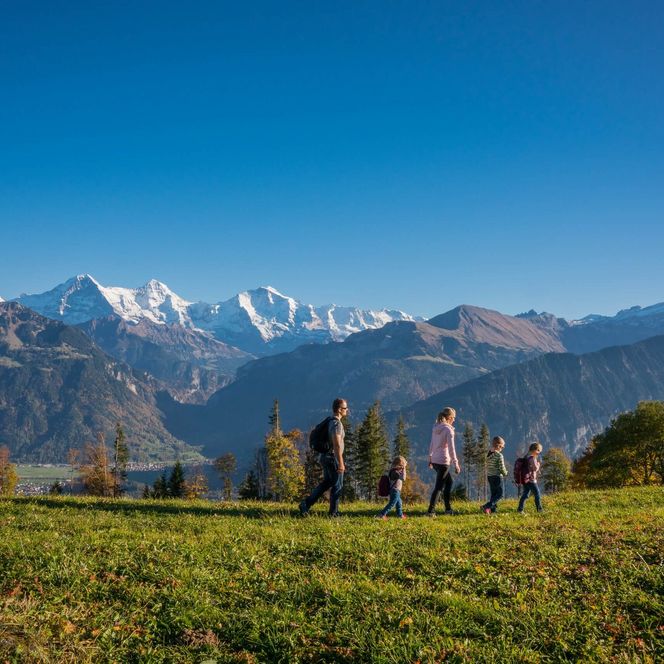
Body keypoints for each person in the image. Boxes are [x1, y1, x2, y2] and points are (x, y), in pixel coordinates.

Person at [299, 398, 348, 517]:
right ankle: (334, 513)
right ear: (339, 410)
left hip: (325, 457)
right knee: (337, 485)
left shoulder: (330, 421)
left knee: (326, 483)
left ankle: (306, 504)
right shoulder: (336, 424)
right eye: (345, 408)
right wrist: (340, 462)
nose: (347, 410)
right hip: (333, 458)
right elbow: (336, 444)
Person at [426, 407, 461, 516]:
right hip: (443, 461)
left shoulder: (435, 427)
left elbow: (431, 444)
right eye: (453, 418)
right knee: (439, 487)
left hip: (435, 460)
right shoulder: (448, 430)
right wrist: (456, 463)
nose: (454, 420)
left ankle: (448, 509)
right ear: (449, 417)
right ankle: (431, 511)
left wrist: (430, 458)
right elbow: (451, 449)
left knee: (449, 482)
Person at [481, 436, 508, 514]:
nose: (502, 449)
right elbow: (501, 467)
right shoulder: (499, 456)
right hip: (497, 476)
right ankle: (487, 506)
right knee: (500, 494)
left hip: (490, 476)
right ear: (499, 446)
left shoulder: (488, 454)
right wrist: (505, 473)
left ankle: (493, 511)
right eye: (502, 447)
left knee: (493, 494)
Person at [517, 442, 543, 514]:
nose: (538, 453)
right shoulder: (532, 458)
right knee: (537, 494)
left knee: (525, 494)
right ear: (535, 450)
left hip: (525, 479)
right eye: (538, 451)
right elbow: (534, 468)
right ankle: (540, 510)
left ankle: (520, 509)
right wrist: (538, 465)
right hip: (531, 480)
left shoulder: (526, 457)